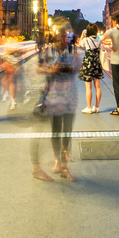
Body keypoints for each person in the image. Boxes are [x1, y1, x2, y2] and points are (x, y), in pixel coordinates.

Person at [31, 34, 78, 181]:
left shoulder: (72, 51)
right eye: (62, 38)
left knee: (67, 132)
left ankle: (64, 166)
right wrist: (52, 69)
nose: (65, 41)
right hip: (53, 98)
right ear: (56, 38)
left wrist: (71, 67)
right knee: (56, 130)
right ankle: (57, 159)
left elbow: (78, 67)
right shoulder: (47, 51)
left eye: (67, 38)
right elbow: (39, 68)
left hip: (69, 97)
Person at [78, 24, 103, 113]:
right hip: (97, 64)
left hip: (88, 64)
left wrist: (82, 35)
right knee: (98, 86)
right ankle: (96, 107)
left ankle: (88, 108)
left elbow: (80, 44)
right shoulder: (99, 40)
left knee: (88, 87)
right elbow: (101, 50)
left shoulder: (86, 40)